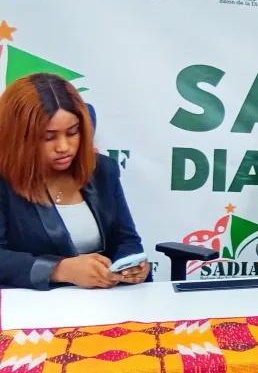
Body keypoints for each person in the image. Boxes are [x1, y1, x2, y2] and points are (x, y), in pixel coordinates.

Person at [0, 73, 150, 290]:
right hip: (27, 304)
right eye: (48, 137)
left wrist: (131, 266)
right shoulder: (4, 179)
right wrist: (59, 269)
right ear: (18, 137)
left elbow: (127, 241)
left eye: (72, 133)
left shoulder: (102, 170)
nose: (63, 147)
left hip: (104, 301)